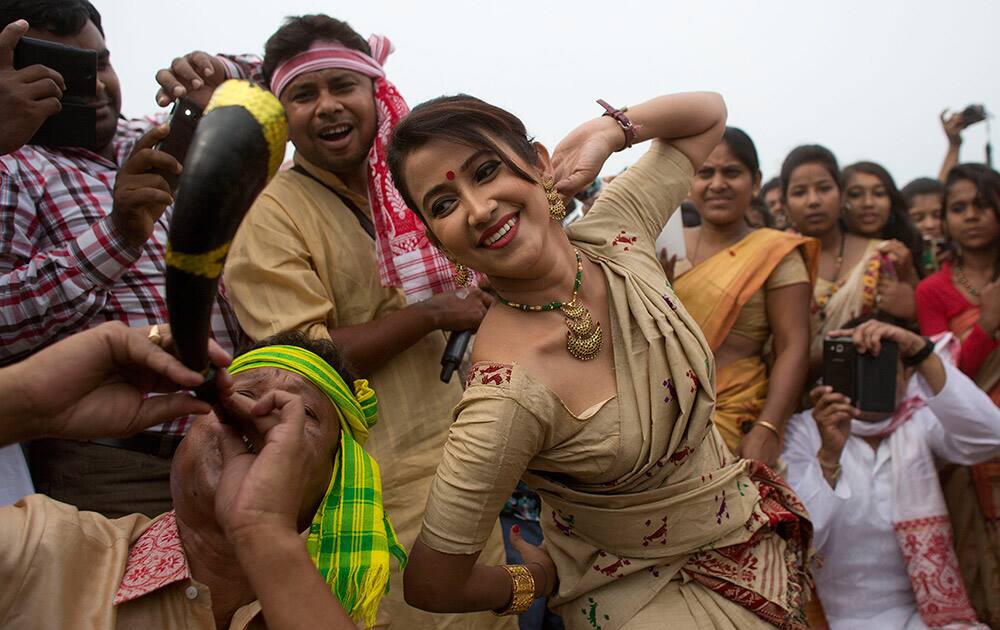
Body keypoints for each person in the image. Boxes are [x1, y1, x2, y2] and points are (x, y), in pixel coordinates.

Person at [387, 92, 814, 628]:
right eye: (443, 205)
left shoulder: (617, 235)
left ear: (539, 164)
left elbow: (709, 115)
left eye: (487, 170)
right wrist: (536, 582)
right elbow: (432, 582)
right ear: (439, 243)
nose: (479, 208)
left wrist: (609, 132)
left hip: (756, 546)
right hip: (643, 607)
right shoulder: (505, 395)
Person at [155, 15, 511, 629]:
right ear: (282, 111)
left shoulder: (413, 192)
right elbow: (299, 365)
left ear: (375, 91)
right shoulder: (268, 212)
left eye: (342, 86)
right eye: (303, 94)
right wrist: (430, 314)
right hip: (373, 491)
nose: (326, 106)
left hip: (473, 461)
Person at [0, 0, 243, 518]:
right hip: (115, 468)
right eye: (62, 72)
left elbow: (278, 71)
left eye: (100, 64)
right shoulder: (12, 167)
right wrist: (115, 236)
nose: (95, 85)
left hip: (232, 439)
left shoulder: (156, 137)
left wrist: (217, 77)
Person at [0, 323, 402, 629]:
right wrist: (24, 403)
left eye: (305, 415)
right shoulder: (43, 548)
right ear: (187, 432)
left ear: (334, 485)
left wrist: (262, 529)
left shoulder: (329, 614)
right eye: (243, 392)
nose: (262, 412)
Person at [782, 318, 1000, 630]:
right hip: (839, 619)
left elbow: (991, 437)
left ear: (906, 374)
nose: (871, 378)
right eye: (859, 366)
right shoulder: (806, 429)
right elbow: (800, 540)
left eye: (882, 366)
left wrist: (919, 350)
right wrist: (829, 455)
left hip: (925, 614)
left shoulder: (917, 420)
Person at [671, 127, 817, 464]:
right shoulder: (664, 247)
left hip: (736, 414)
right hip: (663, 411)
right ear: (690, 182)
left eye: (732, 172)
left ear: (756, 182)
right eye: (706, 173)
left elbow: (793, 346)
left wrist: (768, 426)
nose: (718, 184)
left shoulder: (776, 252)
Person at [915, 163, 1000, 627]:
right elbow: (943, 383)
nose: (972, 215)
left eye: (983, 204)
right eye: (959, 207)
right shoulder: (933, 291)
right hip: (970, 453)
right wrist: (986, 325)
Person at [781, 145, 909, 375]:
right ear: (785, 206)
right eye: (800, 192)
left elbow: (910, 326)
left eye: (824, 188)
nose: (813, 201)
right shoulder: (775, 260)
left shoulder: (881, 255)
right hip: (798, 397)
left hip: (872, 389)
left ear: (841, 195)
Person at [0, 19, 65, 156]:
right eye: (58, 71)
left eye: (101, 64)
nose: (98, 86)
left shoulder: (122, 137)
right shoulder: (14, 161)